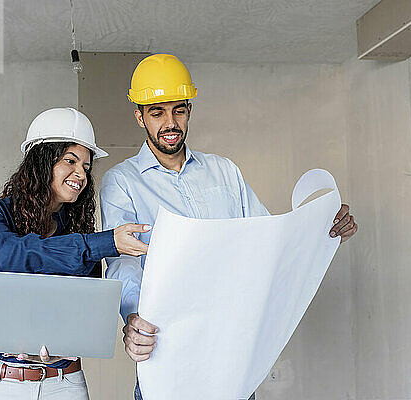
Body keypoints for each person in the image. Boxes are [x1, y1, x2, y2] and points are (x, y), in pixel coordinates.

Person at [99, 54, 359, 400]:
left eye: (178, 109)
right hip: (169, 349)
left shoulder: (224, 172)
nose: (170, 122)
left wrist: (323, 229)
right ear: (140, 117)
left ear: (189, 110)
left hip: (233, 351)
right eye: (157, 112)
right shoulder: (123, 182)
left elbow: (269, 239)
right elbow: (123, 262)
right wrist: (133, 317)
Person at [0, 107, 150, 400]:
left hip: (63, 380)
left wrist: (64, 344)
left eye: (86, 166)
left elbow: (86, 311)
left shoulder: (79, 231)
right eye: (70, 161)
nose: (81, 174)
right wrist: (102, 243)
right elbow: (7, 257)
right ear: (41, 162)